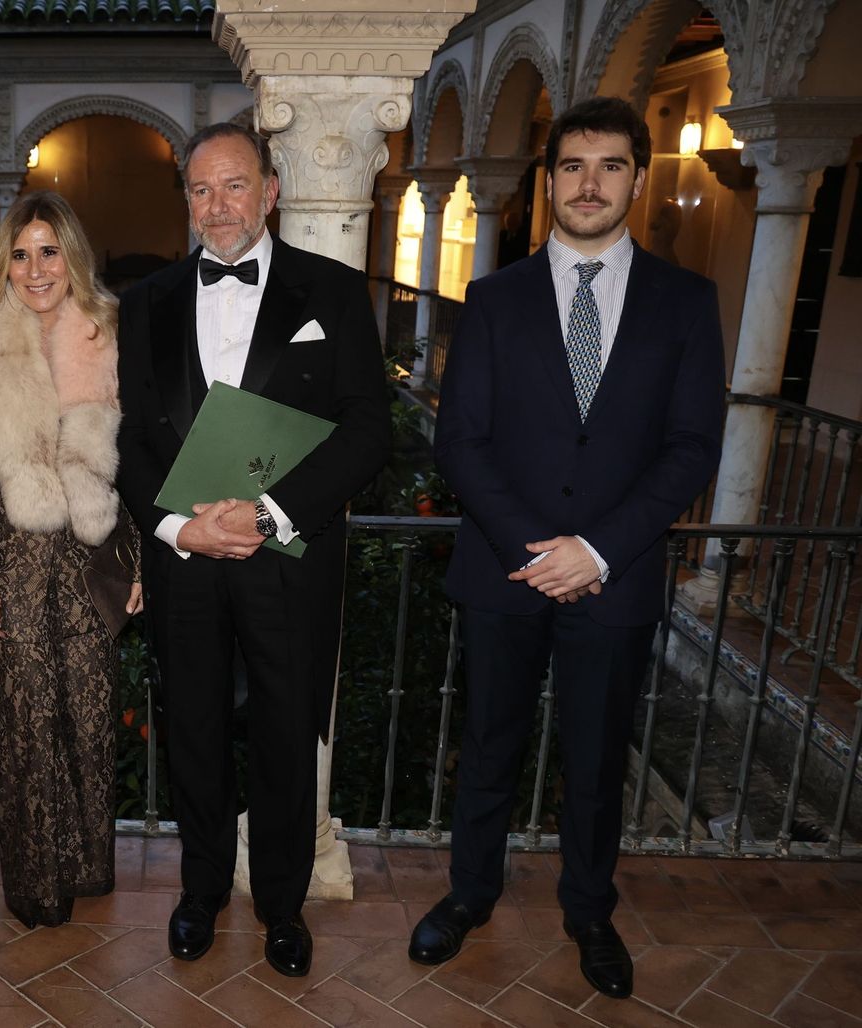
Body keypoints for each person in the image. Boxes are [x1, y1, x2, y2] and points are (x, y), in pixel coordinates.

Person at [412, 97, 725, 1000]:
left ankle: (590, 910)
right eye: (574, 167)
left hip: (614, 580)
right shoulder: (495, 297)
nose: (590, 185)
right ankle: (469, 895)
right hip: (505, 571)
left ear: (638, 176)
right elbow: (460, 441)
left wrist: (596, 550)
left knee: (594, 759)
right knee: (490, 745)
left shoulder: (685, 301)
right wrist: (535, 547)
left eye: (611, 165)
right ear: (549, 181)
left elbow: (691, 448)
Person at [116, 124, 391, 977]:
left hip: (288, 557)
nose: (217, 206)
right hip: (186, 559)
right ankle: (200, 892)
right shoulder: (145, 300)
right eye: (200, 191)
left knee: (283, 732)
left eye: (233, 186)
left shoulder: (336, 292)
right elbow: (124, 439)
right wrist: (176, 527)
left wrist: (268, 512)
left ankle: (280, 904)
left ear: (271, 191)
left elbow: (368, 432)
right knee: (192, 727)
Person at [0, 191, 144, 928]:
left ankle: (87, 863)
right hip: (15, 560)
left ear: (73, 258)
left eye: (49, 251)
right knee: (26, 725)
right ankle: (36, 883)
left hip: (95, 559)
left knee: (89, 724)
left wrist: (142, 561)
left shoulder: (110, 333)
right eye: (21, 254)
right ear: (5, 263)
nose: (35, 269)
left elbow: (142, 463)